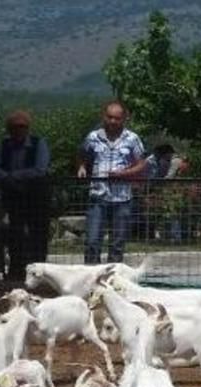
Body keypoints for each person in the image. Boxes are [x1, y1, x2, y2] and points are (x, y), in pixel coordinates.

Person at [77, 100, 147, 264]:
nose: (113, 121)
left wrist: (123, 174)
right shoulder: (93, 137)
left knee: (117, 244)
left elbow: (141, 164)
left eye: (117, 118)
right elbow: (81, 153)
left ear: (123, 119)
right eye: (109, 117)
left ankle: (112, 281)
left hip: (122, 198)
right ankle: (90, 278)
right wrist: (81, 167)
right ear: (104, 116)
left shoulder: (132, 138)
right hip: (98, 195)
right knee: (92, 241)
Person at [0, 109, 51, 281]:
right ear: (9, 129)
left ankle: (39, 273)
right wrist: (7, 178)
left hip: (36, 198)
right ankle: (16, 272)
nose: (19, 130)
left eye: (22, 126)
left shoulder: (39, 144)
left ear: (28, 128)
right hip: (13, 199)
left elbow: (40, 169)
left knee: (38, 236)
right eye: (14, 127)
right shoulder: (4, 145)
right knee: (15, 236)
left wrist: (13, 176)